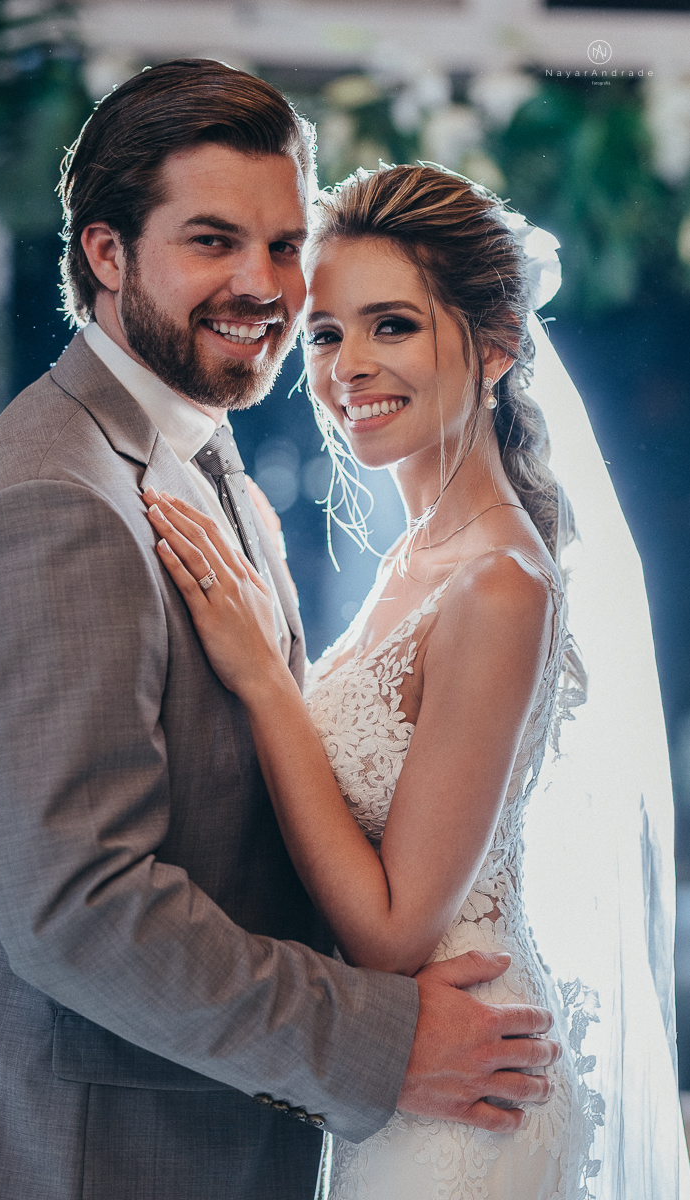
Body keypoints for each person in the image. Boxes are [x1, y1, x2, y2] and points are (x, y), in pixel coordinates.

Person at [0, 65, 560, 1200]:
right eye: (212, 241)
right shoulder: (50, 503)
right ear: (105, 256)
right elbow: (81, 911)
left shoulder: (214, 474)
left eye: (284, 245)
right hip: (83, 1164)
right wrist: (381, 1041)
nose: (264, 288)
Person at [146, 162, 690, 1198]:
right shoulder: (416, 558)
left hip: (462, 1101)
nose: (346, 366)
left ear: (494, 350)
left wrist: (266, 682)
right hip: (397, 1079)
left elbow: (392, 932)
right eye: (323, 333)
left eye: (389, 325)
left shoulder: (497, 583)